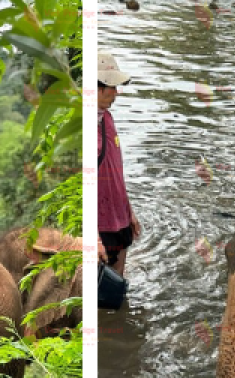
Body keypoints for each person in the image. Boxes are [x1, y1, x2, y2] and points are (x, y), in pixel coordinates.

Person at [97, 51, 142, 278]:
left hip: (120, 220)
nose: (116, 93)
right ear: (97, 89)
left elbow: (115, 173)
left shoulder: (107, 118)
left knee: (118, 286)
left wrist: (129, 211)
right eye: (111, 87)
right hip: (102, 228)